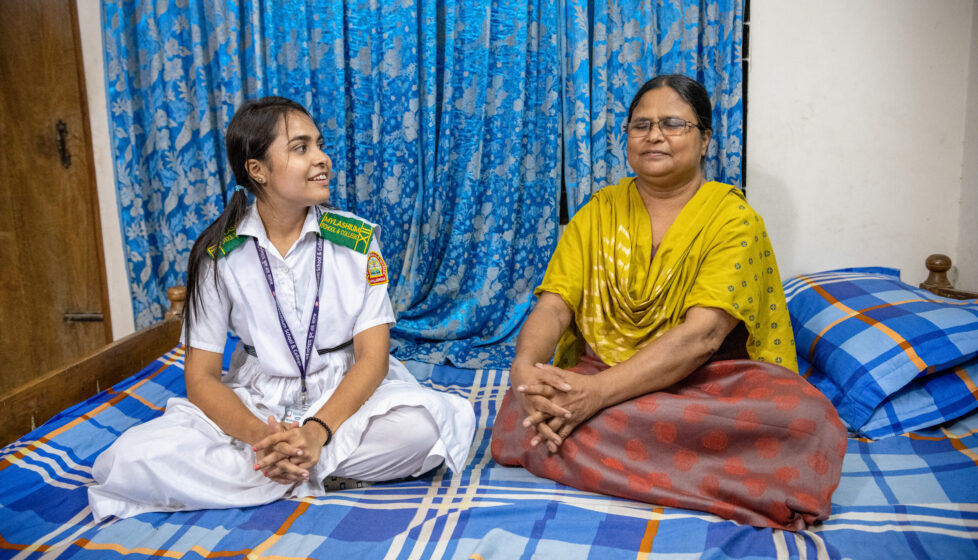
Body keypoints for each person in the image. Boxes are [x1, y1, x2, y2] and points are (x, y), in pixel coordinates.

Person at [88, 96, 475, 521]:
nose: (322, 158)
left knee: (422, 431)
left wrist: (316, 432)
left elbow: (373, 359)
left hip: (343, 396)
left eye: (320, 145)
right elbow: (200, 379)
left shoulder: (357, 242)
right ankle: (296, 468)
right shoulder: (218, 256)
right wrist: (263, 439)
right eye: (301, 148)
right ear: (258, 170)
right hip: (258, 402)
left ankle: (273, 472)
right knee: (128, 458)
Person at [490, 75, 846, 531]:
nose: (654, 135)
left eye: (673, 123)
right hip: (605, 370)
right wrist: (526, 368)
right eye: (640, 125)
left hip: (706, 384)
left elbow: (702, 337)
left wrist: (595, 397)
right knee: (525, 404)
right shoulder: (598, 212)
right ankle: (705, 473)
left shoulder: (734, 221)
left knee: (804, 422)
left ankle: (589, 443)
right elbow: (555, 304)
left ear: (704, 140)